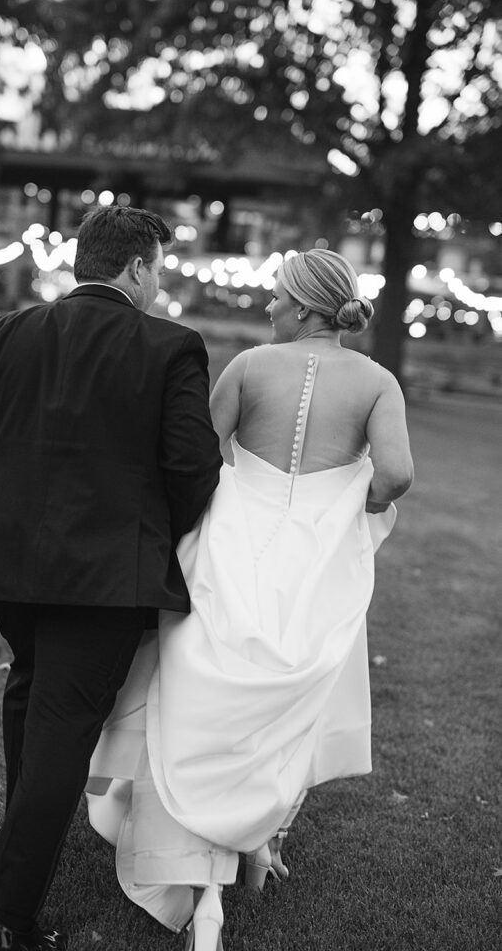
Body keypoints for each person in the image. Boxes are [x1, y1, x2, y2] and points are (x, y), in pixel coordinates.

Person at [84, 248, 414, 950]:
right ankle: (259, 843)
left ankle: (202, 877)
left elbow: (199, 457)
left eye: (273, 299)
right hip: (315, 564)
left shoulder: (248, 367)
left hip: (233, 546)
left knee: (197, 686)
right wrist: (342, 506)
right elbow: (396, 475)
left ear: (299, 307)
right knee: (287, 699)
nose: (266, 308)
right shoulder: (377, 381)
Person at [0, 205, 223, 951]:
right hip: (105, 573)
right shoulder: (171, 346)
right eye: (157, 266)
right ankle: (11, 913)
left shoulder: (6, 333)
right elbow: (193, 468)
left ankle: (18, 852)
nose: (160, 281)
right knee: (60, 726)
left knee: (30, 696)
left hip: (10, 559)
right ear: (134, 267)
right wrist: (154, 527)